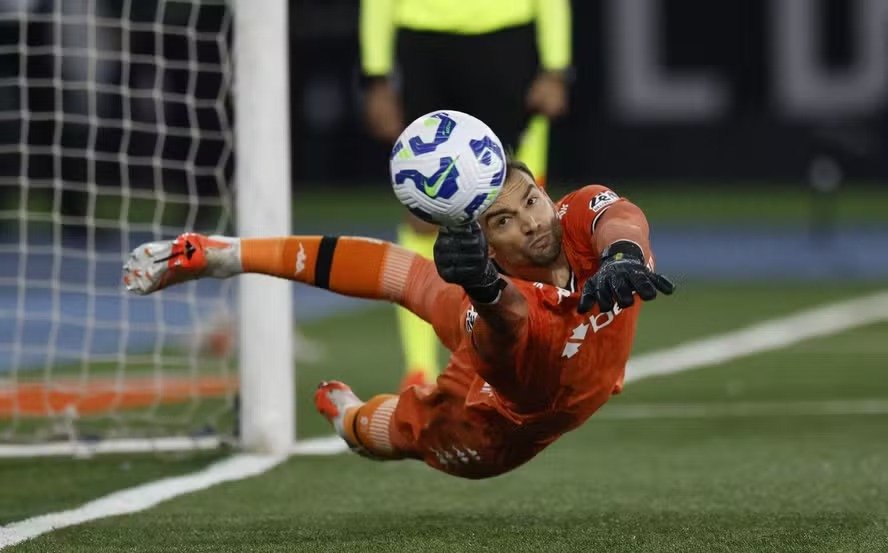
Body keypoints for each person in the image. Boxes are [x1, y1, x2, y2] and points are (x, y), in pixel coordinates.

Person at [124, 159, 674, 479]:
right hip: (494, 428)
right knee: (386, 433)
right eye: (504, 220)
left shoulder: (576, 216)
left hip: (558, 372)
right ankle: (352, 422)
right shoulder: (478, 309)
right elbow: (510, 316)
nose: (531, 222)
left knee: (410, 278)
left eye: (530, 200)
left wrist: (623, 253)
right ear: (485, 244)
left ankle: (225, 254)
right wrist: (482, 285)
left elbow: (621, 216)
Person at [360, 0, 572, 389]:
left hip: (507, 39)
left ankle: (537, 353)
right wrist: (375, 77)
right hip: (423, 41)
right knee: (423, 217)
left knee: (521, 211)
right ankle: (420, 370)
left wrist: (557, 67)